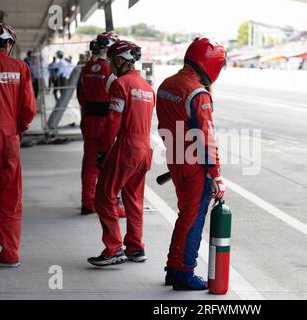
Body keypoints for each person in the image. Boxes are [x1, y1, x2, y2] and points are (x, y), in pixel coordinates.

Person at [156, 37, 226, 290]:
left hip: (174, 157)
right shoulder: (198, 93)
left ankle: (173, 268)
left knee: (185, 215)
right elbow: (206, 138)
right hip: (194, 162)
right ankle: (184, 273)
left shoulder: (166, 84)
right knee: (194, 217)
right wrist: (216, 175)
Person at [88, 40, 155, 267]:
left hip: (127, 147)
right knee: (134, 200)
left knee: (103, 196)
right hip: (145, 149)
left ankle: (114, 248)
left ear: (119, 59)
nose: (109, 65)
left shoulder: (120, 84)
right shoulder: (147, 88)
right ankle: (136, 248)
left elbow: (113, 122)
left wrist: (103, 152)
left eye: (111, 59)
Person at [0, 23, 36, 268]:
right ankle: (10, 254)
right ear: (7, 43)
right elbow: (28, 110)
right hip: (9, 140)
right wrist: (18, 131)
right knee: (10, 200)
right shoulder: (20, 67)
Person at [76, 32, 125, 217]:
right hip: (108, 122)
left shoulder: (86, 68)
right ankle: (111, 205)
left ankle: (87, 203)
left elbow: (81, 97)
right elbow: (119, 100)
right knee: (110, 165)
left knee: (89, 164)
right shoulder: (111, 73)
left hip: (89, 121)